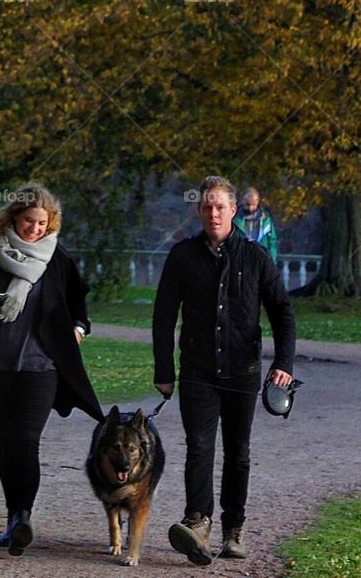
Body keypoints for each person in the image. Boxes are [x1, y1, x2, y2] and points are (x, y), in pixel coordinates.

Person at [0, 183, 104, 557]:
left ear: (51, 225)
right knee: (8, 445)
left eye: (43, 224)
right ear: (13, 217)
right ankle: (12, 518)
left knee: (27, 441)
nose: (35, 229)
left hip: (41, 368)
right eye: (29, 221)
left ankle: (22, 518)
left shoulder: (58, 261)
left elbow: (81, 310)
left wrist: (78, 331)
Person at [153, 175, 296, 565]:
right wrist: (163, 369)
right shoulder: (182, 256)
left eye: (220, 206)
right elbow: (163, 315)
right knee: (198, 446)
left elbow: (282, 310)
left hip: (242, 371)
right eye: (207, 206)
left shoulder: (254, 257)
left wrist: (283, 362)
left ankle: (235, 528)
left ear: (234, 211)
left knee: (238, 451)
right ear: (200, 211)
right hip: (197, 369)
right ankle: (197, 521)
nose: (213, 212)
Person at [232, 186, 279, 261]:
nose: (250, 208)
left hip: (261, 260)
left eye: (253, 204)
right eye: (247, 204)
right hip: (240, 260)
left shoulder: (266, 220)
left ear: (258, 201)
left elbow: (272, 243)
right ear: (242, 201)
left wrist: (272, 261)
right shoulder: (233, 219)